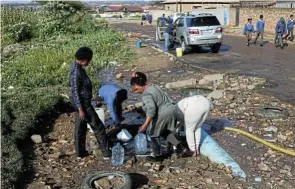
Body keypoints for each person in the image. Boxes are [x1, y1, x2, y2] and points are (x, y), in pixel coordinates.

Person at [130, 72, 187, 162]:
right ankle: (180, 147)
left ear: (140, 85)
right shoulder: (153, 86)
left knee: (152, 133)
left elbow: (152, 110)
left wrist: (144, 126)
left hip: (163, 113)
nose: (136, 92)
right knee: (163, 131)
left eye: (136, 89)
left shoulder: (146, 94)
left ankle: (157, 155)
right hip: (172, 109)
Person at [69, 46, 109, 159]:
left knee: (80, 127)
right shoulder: (76, 72)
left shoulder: (77, 67)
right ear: (84, 59)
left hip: (81, 102)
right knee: (98, 127)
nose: (89, 62)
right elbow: (75, 92)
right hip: (82, 103)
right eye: (89, 60)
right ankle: (106, 153)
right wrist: (81, 109)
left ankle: (80, 153)